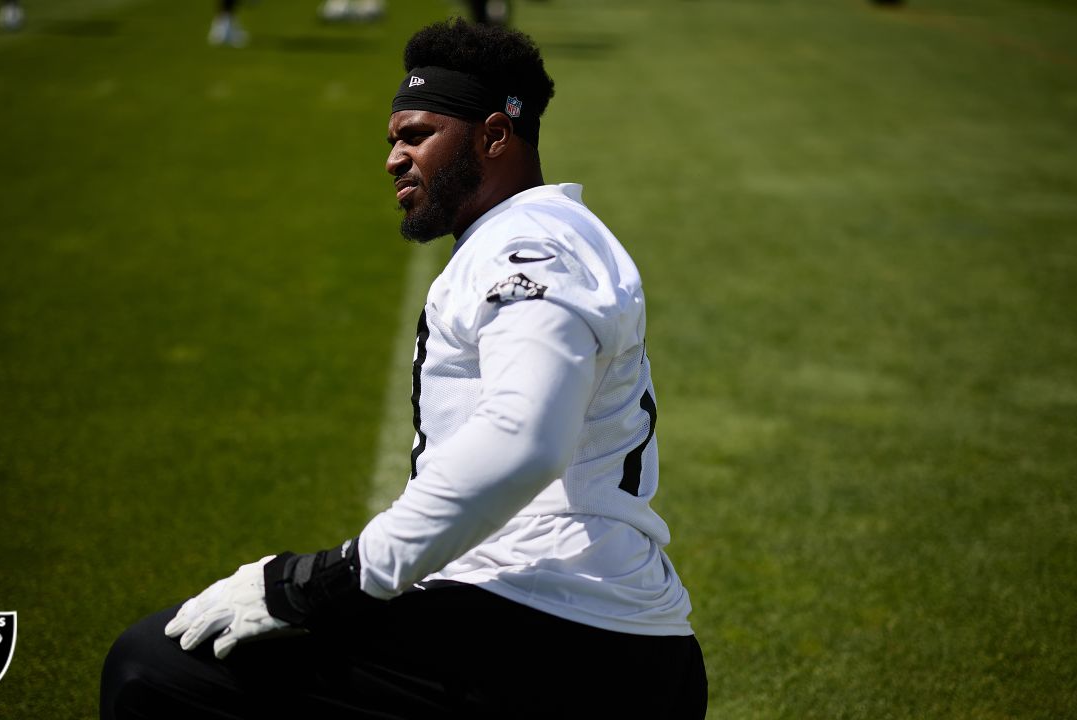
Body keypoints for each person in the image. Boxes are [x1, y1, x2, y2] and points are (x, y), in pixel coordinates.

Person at [100, 18, 707, 719]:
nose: (393, 157)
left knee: (153, 671)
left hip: (559, 641)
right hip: (590, 636)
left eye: (415, 134)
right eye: (393, 138)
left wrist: (326, 581)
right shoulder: (537, 237)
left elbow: (526, 435)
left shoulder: (528, 248)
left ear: (493, 136)